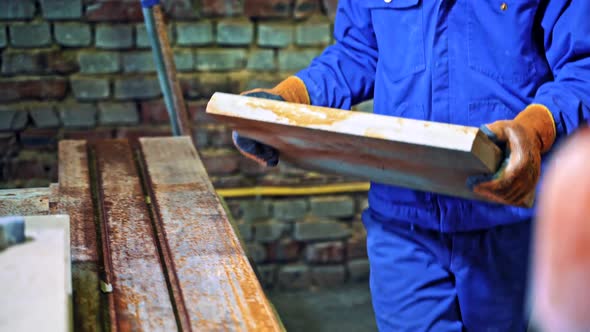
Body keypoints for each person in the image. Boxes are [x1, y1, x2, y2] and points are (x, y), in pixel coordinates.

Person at [232, 1, 590, 330]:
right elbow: (360, 50)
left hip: (505, 219)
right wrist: (286, 100)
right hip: (404, 221)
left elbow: (582, 68)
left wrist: (535, 129)